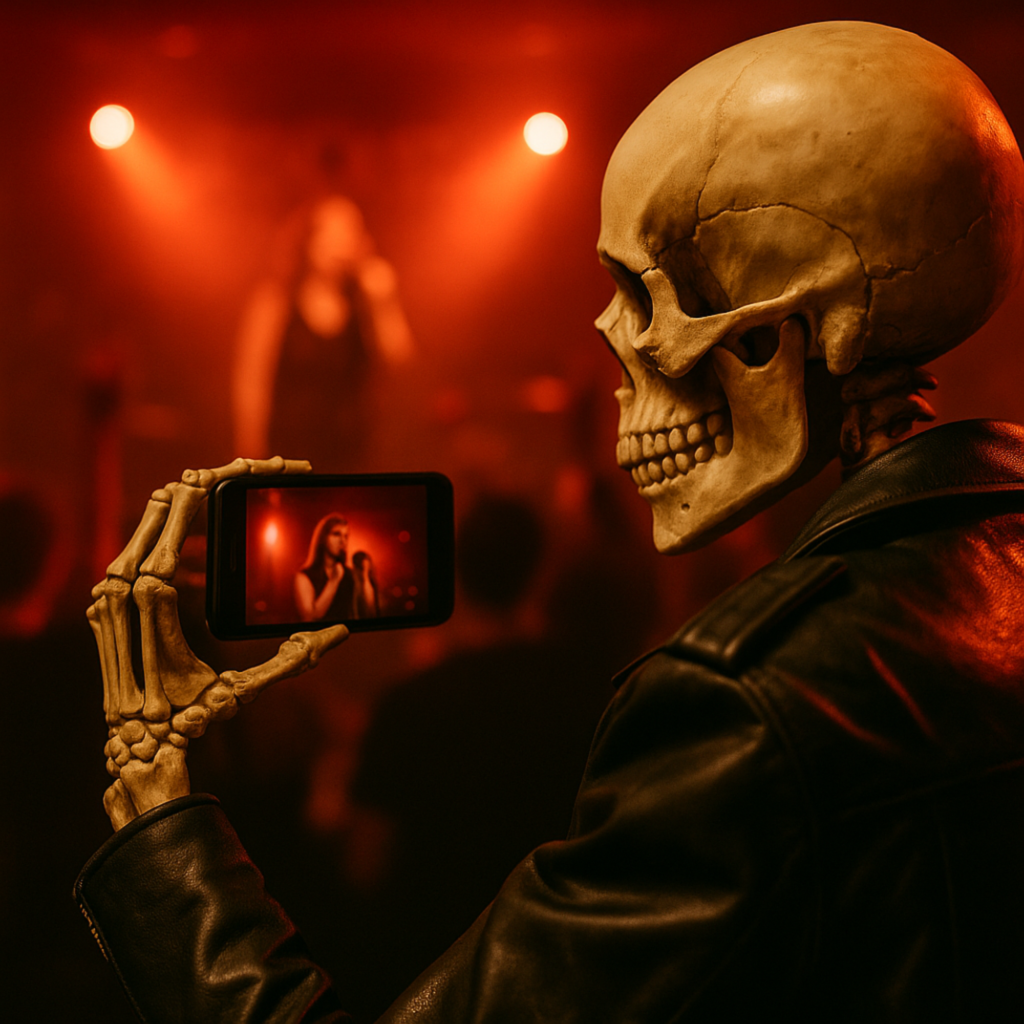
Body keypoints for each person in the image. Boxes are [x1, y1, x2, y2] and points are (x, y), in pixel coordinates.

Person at [75, 23, 1024, 1023]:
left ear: (816, 323)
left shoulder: (740, 708)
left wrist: (159, 817)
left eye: (660, 296)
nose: (616, 345)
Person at [295, 514, 356, 622]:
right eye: (336, 534)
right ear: (323, 537)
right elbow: (309, 617)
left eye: (346, 536)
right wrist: (334, 581)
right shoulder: (304, 576)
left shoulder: (349, 574)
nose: (342, 541)